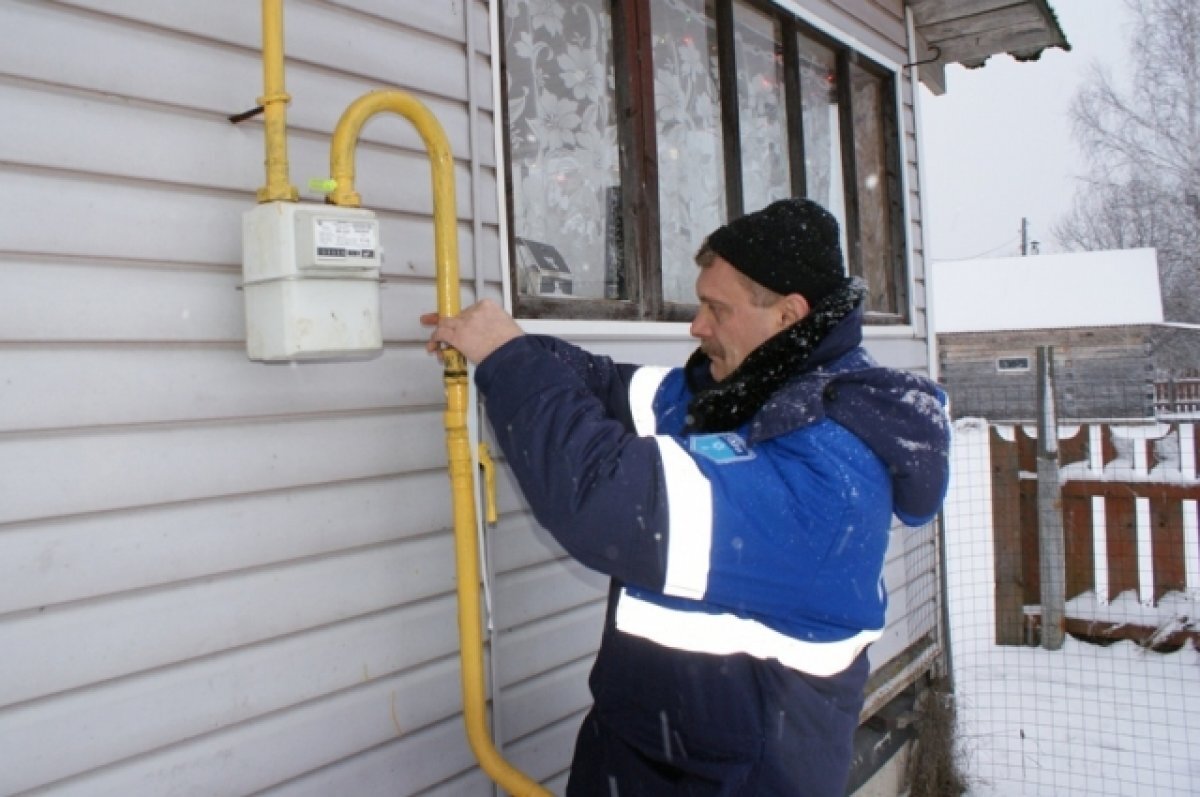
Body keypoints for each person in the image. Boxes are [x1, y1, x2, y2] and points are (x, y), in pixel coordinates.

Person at [422, 198, 951, 796]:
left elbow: (602, 500)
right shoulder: (742, 390)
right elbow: (610, 387)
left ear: (788, 315)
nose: (697, 327)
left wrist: (508, 360)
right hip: (645, 758)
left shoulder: (826, 480)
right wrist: (517, 346)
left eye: (715, 309)